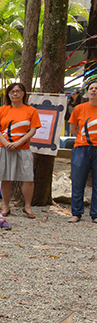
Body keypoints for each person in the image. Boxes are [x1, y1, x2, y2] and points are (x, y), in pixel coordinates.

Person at [0, 82, 40, 218]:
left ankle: (27, 207)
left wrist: (18, 142)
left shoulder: (31, 110)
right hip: (3, 147)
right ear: (8, 94)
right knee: (5, 178)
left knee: (28, 178)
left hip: (23, 148)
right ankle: (6, 206)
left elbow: (33, 130)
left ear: (23, 93)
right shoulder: (3, 109)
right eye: (12, 92)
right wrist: (6, 143)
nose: (15, 94)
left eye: (18, 91)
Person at [68, 82, 97, 222]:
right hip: (81, 148)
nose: (94, 90)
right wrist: (82, 139)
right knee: (78, 182)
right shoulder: (79, 108)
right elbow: (73, 129)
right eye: (91, 88)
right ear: (87, 92)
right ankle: (76, 213)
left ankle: (95, 214)